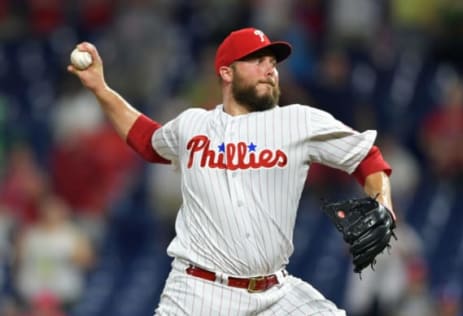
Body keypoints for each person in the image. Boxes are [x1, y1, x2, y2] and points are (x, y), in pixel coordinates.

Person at [68, 27, 394, 316]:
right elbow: (147, 141)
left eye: (273, 62)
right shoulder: (193, 124)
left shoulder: (298, 121)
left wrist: (384, 204)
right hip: (198, 293)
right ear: (226, 72)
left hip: (274, 293)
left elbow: (367, 158)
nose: (270, 68)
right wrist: (100, 88)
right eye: (257, 60)